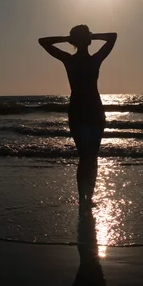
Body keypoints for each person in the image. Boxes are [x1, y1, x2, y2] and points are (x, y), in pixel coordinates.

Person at [38, 25, 117, 206]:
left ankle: (85, 198)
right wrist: (89, 36)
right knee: (90, 156)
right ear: (87, 40)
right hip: (90, 110)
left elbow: (44, 42)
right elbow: (112, 37)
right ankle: (86, 198)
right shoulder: (92, 59)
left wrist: (70, 39)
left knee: (86, 157)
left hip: (83, 110)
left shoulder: (71, 59)